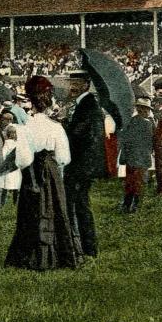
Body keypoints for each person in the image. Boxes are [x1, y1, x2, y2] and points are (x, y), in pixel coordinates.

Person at [5, 75, 83, 270]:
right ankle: (57, 255)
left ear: (31, 103)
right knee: (55, 207)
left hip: (31, 172)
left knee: (30, 210)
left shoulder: (24, 128)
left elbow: (22, 160)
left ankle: (30, 256)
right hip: (50, 169)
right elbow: (64, 158)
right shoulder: (56, 127)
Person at [63, 70, 106, 257]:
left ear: (86, 85)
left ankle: (87, 248)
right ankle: (84, 247)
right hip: (82, 164)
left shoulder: (89, 107)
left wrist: (63, 123)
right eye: (70, 82)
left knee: (80, 205)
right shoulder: (85, 105)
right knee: (79, 205)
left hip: (82, 165)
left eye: (76, 83)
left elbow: (78, 136)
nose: (71, 87)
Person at [117, 98, 155, 213]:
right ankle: (135, 206)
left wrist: (123, 157)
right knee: (139, 183)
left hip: (131, 158)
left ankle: (126, 205)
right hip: (142, 158)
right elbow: (150, 143)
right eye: (147, 109)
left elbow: (125, 141)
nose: (148, 112)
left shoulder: (130, 122)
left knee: (130, 182)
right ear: (142, 110)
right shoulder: (147, 124)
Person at [0, 125, 22, 207]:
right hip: (16, 167)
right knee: (16, 186)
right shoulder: (18, 143)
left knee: (5, 187)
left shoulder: (7, 143)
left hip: (8, 167)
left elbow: (3, 154)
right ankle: (15, 203)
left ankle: (2, 204)